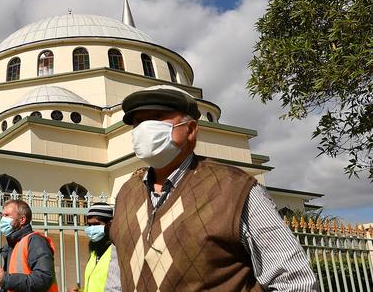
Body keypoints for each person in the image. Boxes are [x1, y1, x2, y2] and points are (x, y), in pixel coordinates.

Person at [109, 85, 318, 291]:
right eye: (138, 122)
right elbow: (117, 277)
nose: (144, 129)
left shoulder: (233, 188)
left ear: (190, 130)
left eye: (157, 117)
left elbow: (295, 282)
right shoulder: (127, 193)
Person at [0, 199, 58, 292]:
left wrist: (5, 279)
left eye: (7, 215)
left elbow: (42, 280)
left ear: (22, 220)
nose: (2, 219)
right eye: (2, 215)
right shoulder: (14, 244)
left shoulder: (35, 241)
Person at [69, 203, 121, 292]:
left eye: (96, 224)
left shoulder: (117, 249)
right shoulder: (95, 252)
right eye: (89, 225)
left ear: (110, 224)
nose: (92, 229)